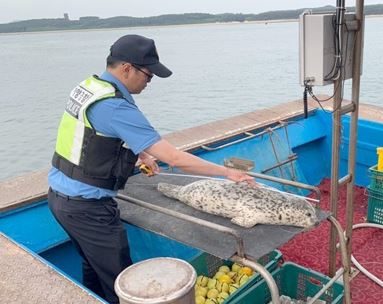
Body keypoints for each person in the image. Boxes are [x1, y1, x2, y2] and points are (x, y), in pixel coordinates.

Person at [47, 34, 255, 304]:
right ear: (126, 69)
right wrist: (228, 173)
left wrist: (141, 153)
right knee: (121, 282)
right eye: (148, 75)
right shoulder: (115, 106)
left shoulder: (90, 87)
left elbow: (91, 138)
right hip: (88, 209)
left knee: (92, 267)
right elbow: (174, 157)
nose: (149, 82)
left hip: (60, 198)